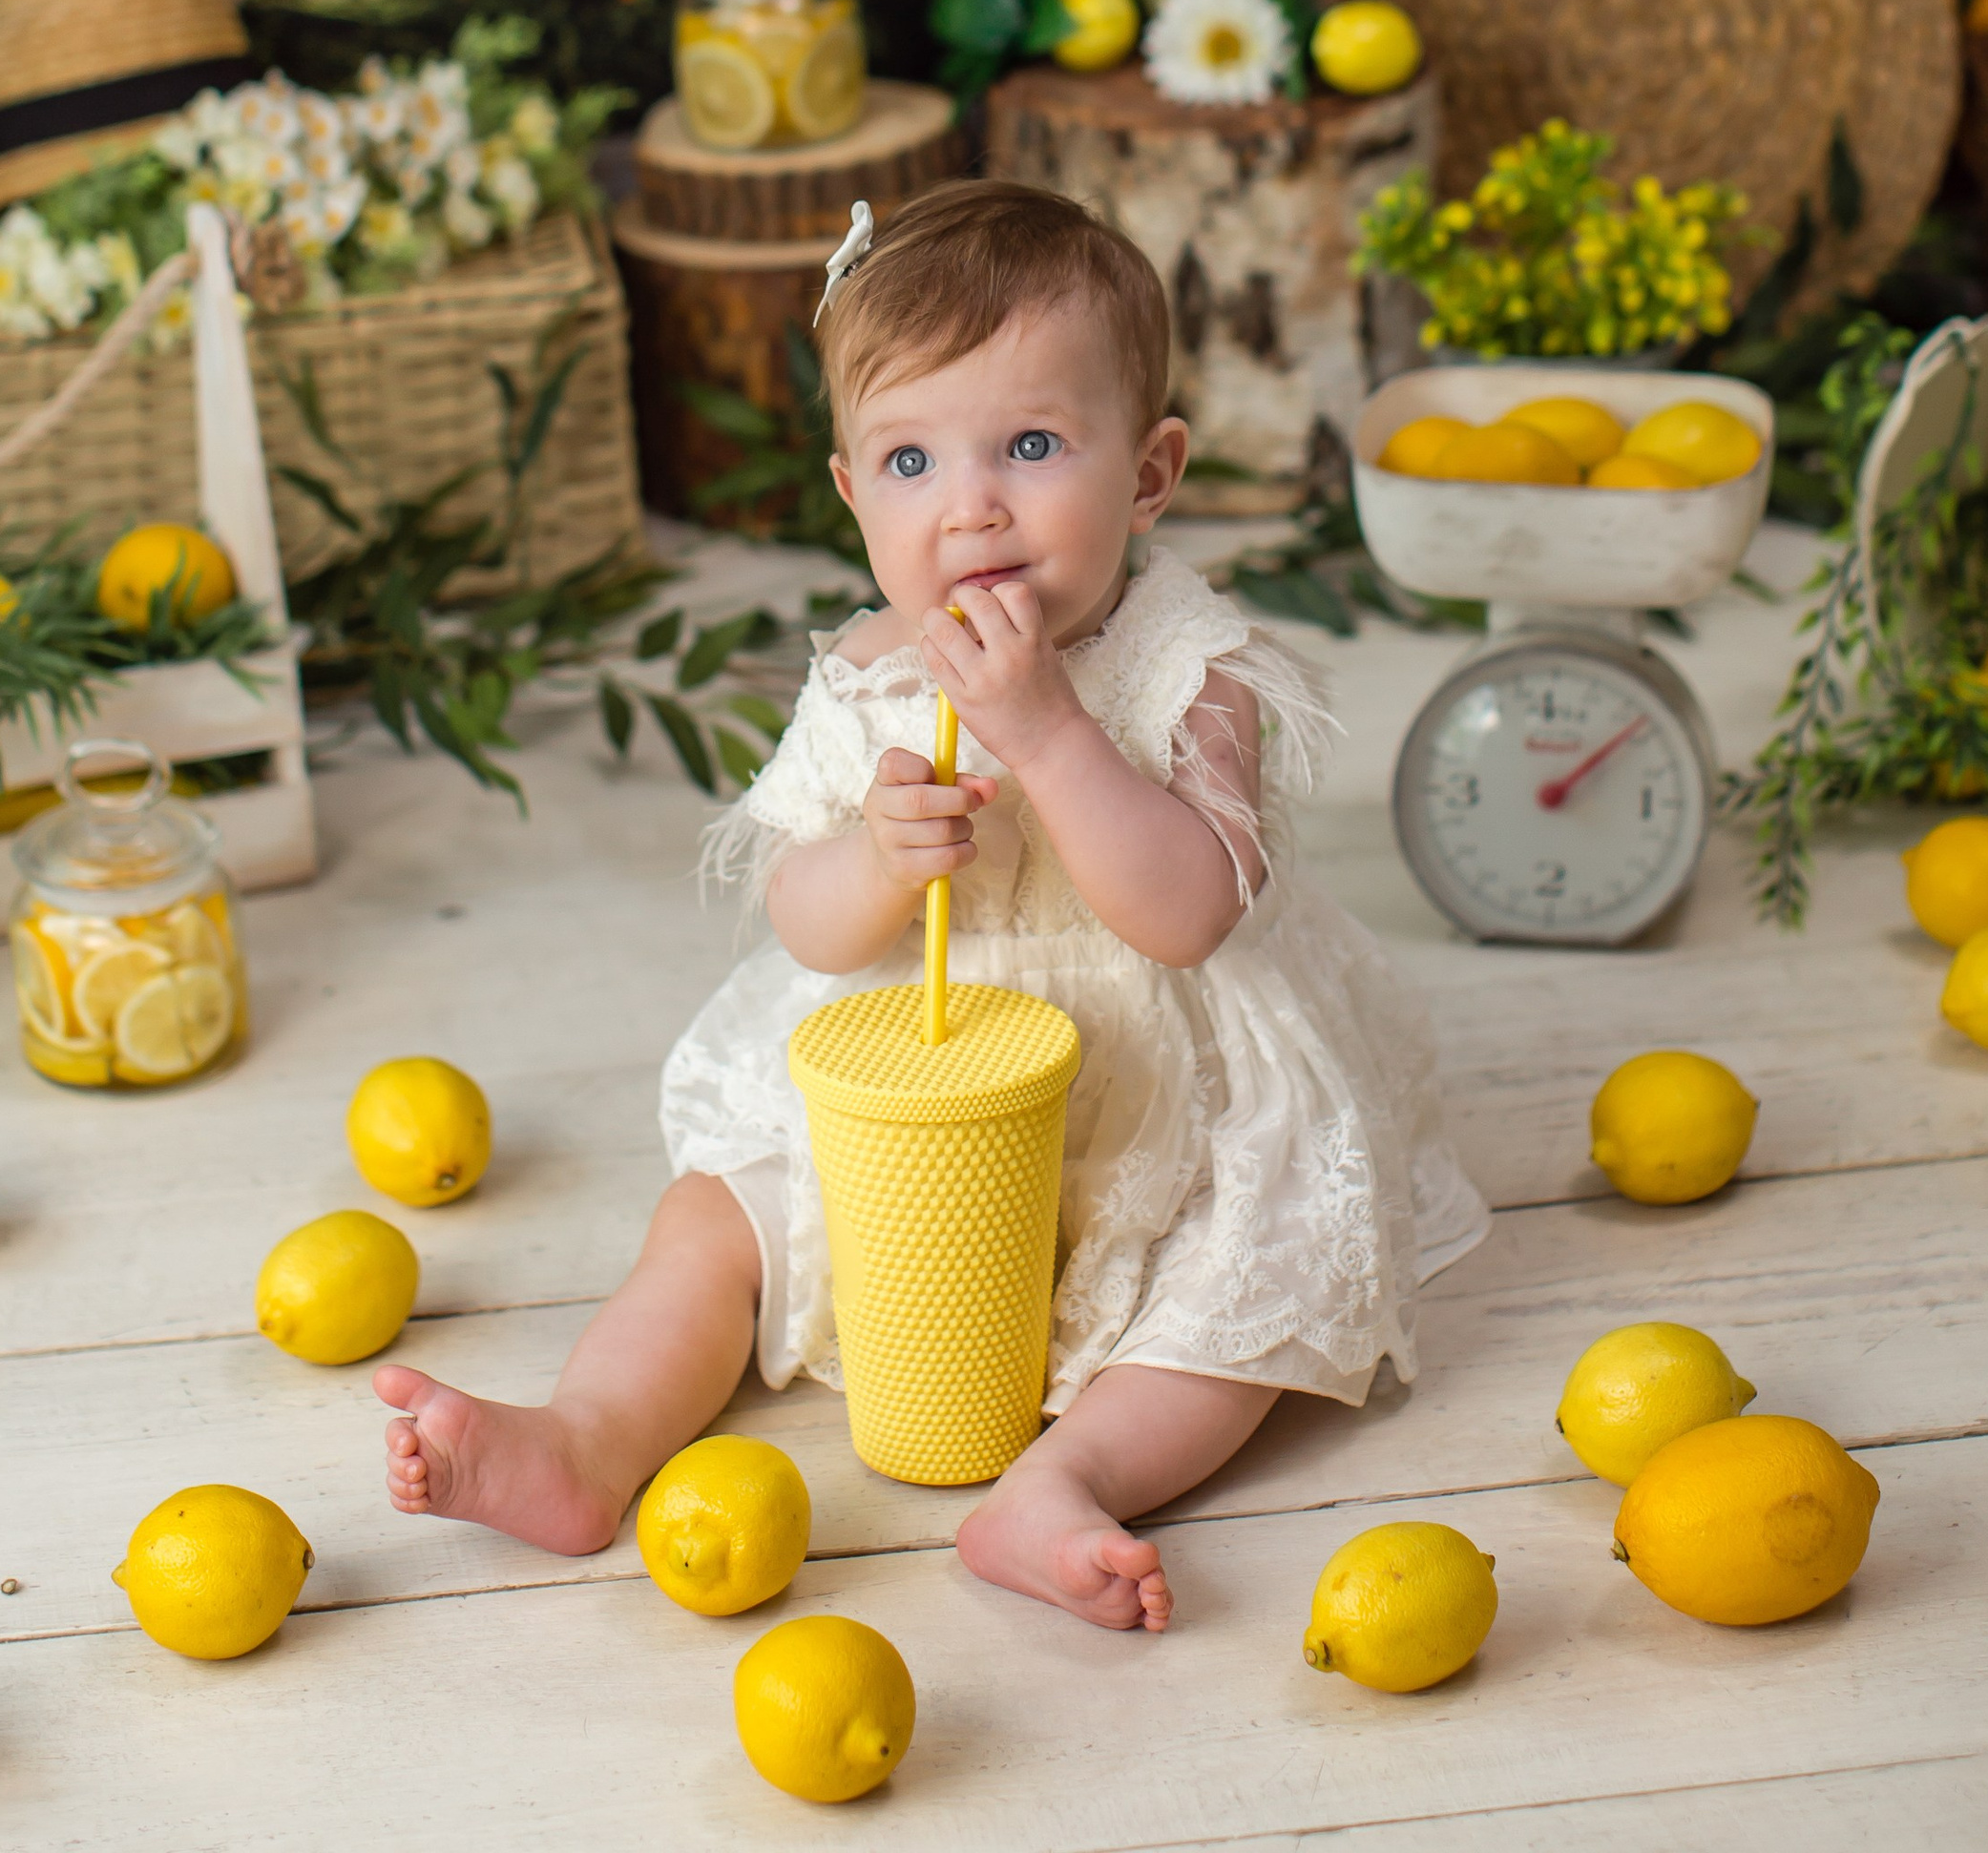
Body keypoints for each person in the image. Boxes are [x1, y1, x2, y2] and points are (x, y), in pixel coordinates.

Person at [377, 177, 1487, 1632]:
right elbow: (807, 926)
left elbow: (1188, 912)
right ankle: (587, 1437)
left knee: (1258, 1284)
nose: (969, 507)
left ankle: (1067, 1484)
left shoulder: (1189, 668)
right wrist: (876, 862)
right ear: (850, 490)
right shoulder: (869, 671)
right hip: (914, 1095)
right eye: (910, 460)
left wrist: (1045, 731)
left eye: (1031, 444)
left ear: (1149, 474)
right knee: (716, 1225)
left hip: (1154, 1092)